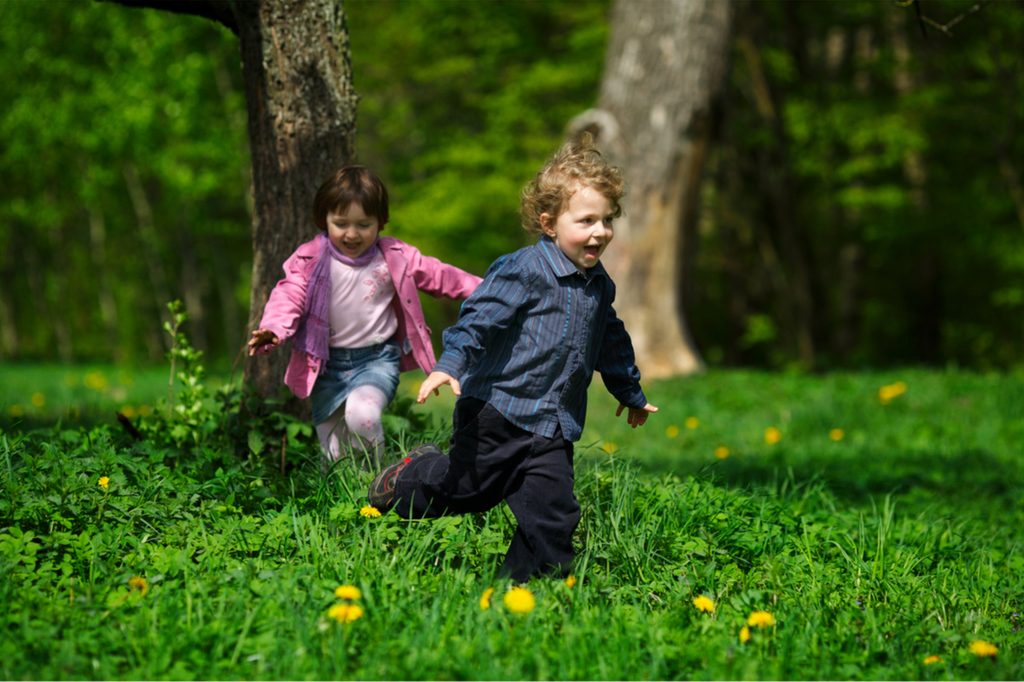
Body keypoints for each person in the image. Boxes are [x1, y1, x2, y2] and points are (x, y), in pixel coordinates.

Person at [367, 137, 658, 581]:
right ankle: (407, 477)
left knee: (554, 516)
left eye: (606, 220)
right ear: (549, 223)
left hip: (553, 424)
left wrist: (629, 390)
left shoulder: (600, 285)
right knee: (465, 492)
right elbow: (478, 320)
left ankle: (522, 594)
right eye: (585, 221)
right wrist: (449, 364)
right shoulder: (522, 270)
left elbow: (610, 339)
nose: (599, 231)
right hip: (497, 411)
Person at [248, 165, 481, 469]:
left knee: (363, 417)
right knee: (332, 456)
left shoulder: (394, 257)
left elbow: (441, 276)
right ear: (324, 220)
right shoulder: (310, 259)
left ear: (380, 222)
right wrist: (273, 329)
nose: (352, 234)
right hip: (325, 365)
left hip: (376, 360)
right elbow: (288, 294)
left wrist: (487, 288)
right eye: (341, 223)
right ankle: (345, 500)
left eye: (363, 224)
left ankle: (380, 481)